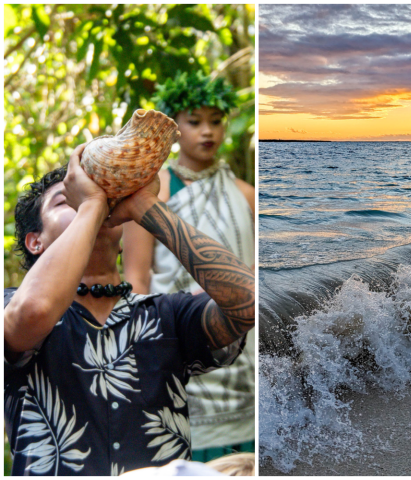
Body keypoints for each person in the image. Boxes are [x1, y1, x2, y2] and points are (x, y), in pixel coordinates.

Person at [4, 147, 255, 475]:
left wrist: (145, 206)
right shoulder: (10, 305)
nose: (88, 203)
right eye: (67, 202)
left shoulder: (167, 313)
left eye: (102, 199)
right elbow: (35, 311)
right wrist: (93, 206)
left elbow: (247, 301)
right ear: (34, 242)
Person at [122, 71, 255, 461]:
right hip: (175, 343)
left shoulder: (246, 194)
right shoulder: (149, 193)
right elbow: (137, 279)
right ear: (174, 127)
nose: (207, 131)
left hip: (239, 353)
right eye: (194, 121)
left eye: (216, 120)